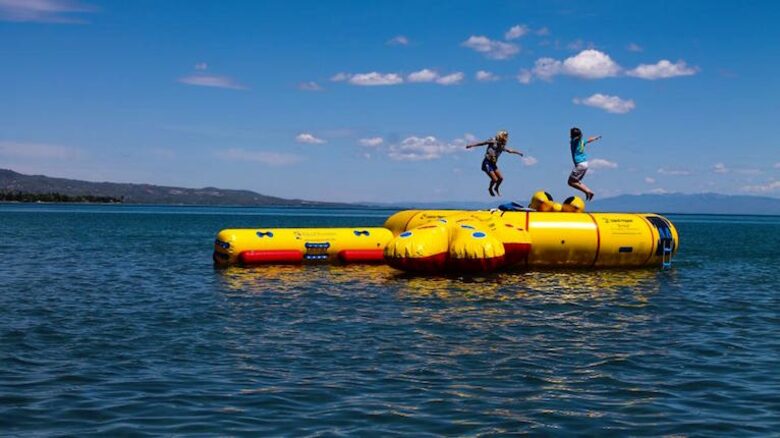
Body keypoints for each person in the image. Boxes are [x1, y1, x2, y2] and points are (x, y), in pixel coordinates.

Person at [466, 130, 524, 197]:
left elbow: (510, 151)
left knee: (501, 178)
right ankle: (490, 189)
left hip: (493, 164)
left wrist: (518, 153)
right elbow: (482, 143)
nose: (506, 138)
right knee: (495, 179)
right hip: (487, 162)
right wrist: (471, 145)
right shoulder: (493, 140)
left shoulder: (501, 146)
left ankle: (496, 188)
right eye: (505, 136)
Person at [568, 127, 602, 201]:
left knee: (570, 182)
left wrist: (576, 136)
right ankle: (587, 192)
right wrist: (596, 138)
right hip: (585, 164)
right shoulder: (582, 141)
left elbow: (575, 138)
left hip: (580, 165)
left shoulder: (574, 141)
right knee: (576, 181)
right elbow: (589, 140)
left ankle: (588, 191)